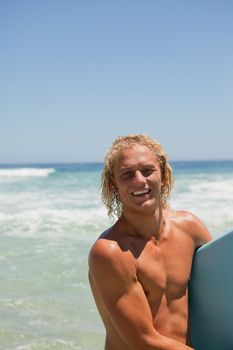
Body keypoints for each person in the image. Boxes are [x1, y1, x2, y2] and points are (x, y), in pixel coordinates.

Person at [88, 134, 212, 350]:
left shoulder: (190, 228)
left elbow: (221, 290)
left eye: (147, 170)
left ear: (162, 175)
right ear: (114, 184)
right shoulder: (110, 252)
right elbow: (143, 341)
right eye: (127, 174)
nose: (139, 180)